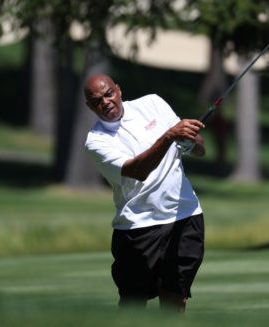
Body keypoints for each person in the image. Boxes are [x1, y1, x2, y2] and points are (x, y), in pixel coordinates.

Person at [83, 74, 206, 313]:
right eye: (97, 101)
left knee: (174, 299)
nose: (106, 102)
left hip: (185, 216)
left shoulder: (152, 103)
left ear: (118, 90)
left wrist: (189, 141)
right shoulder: (96, 141)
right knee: (132, 305)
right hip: (138, 227)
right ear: (90, 106)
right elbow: (138, 170)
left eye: (109, 94)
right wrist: (169, 136)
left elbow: (199, 148)